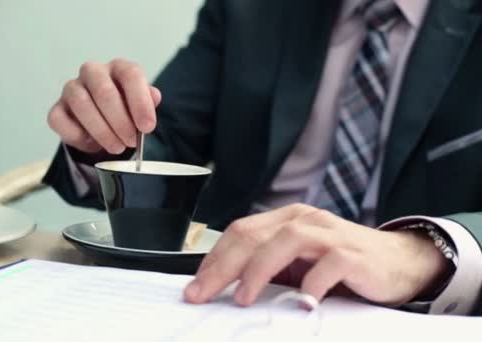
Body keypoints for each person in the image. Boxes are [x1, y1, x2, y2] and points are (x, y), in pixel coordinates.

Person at [44, 0, 482, 315]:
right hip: (219, 291)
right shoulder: (250, 10)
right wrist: (105, 138)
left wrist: (424, 252)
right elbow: (163, 141)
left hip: (405, 309)